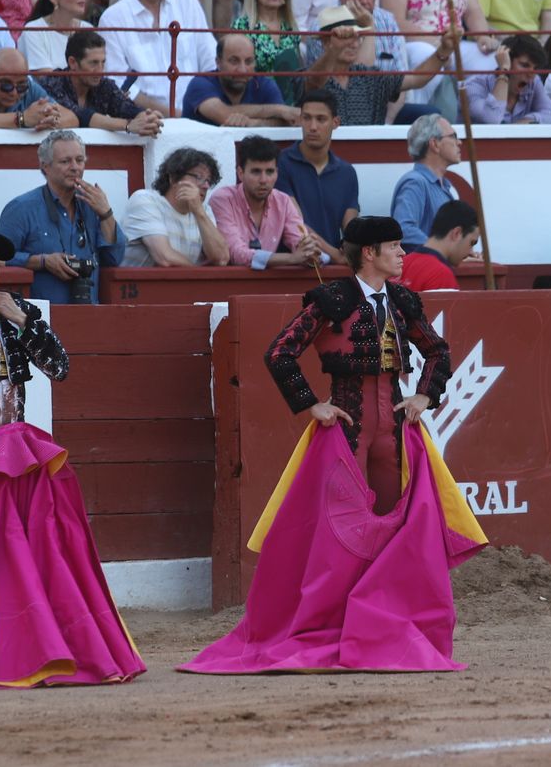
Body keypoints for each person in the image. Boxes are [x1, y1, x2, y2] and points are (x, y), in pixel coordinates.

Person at [182, 215, 481, 678]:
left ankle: (381, 623)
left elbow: (437, 350)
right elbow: (279, 352)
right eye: (395, 247)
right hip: (347, 429)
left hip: (395, 428)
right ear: (369, 253)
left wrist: (426, 394)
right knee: (337, 534)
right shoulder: (332, 299)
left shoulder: (402, 300)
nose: (404, 255)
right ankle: (333, 624)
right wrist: (310, 406)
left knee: (392, 527)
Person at [0, 227, 142, 692]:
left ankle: (29, 642)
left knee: (29, 542)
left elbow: (60, 368)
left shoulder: (16, 310)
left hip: (17, 444)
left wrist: (22, 321)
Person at [0, 129, 124, 305]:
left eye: (80, 160)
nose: (75, 167)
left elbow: (114, 260)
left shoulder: (94, 207)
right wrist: (42, 262)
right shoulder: (21, 208)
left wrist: (106, 213)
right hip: (40, 322)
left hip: (89, 316)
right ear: (45, 166)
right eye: (65, 161)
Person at [101, 0, 216, 115]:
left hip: (198, 114)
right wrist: (174, 114)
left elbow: (209, 58)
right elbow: (118, 84)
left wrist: (205, 108)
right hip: (144, 121)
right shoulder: (113, 18)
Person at [306, 2, 455, 124]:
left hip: (369, 155)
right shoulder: (307, 75)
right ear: (325, 43)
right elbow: (314, 83)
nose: (353, 43)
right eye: (345, 38)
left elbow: (417, 79)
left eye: (357, 37)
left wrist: (444, 50)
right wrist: (334, 49)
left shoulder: (371, 76)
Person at [207, 134, 321, 269]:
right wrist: (291, 258)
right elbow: (235, 254)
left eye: (269, 172)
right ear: (240, 173)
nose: (263, 180)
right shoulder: (222, 199)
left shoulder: (283, 201)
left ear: (277, 173)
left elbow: (300, 243)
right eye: (256, 172)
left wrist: (310, 251)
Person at [274, 91, 357, 258]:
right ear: (300, 120)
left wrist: (351, 251)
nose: (312, 126)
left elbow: (351, 229)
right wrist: (336, 255)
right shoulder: (281, 163)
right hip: (291, 266)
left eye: (321, 119)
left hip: (334, 270)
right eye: (307, 118)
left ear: (335, 122)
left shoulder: (347, 172)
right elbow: (297, 224)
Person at [38, 30, 162, 136]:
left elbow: (125, 106)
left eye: (103, 62)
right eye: (93, 63)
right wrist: (128, 125)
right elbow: (81, 116)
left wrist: (146, 118)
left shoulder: (103, 85)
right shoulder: (53, 83)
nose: (100, 71)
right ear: (73, 63)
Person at [123, 146, 230, 267]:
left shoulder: (203, 211)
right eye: (198, 177)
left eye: (208, 180)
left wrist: (199, 212)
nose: (205, 186)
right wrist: (199, 277)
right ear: (173, 178)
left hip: (182, 284)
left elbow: (221, 258)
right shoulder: (145, 200)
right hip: (140, 284)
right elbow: (165, 257)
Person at [182, 33, 298, 126]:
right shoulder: (200, 84)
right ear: (218, 62)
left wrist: (253, 123)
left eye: (248, 61)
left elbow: (286, 122)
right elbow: (224, 115)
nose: (243, 70)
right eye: (234, 61)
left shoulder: (265, 84)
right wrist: (277, 110)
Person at [390, 112, 460, 248]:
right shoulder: (415, 182)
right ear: (434, 144)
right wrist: (443, 250)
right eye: (453, 137)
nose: (459, 142)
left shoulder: (441, 186)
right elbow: (403, 229)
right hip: (424, 267)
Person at [463, 33, 551, 124]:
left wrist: (525, 121)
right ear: (506, 60)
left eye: (536, 68)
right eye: (525, 65)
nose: (531, 74)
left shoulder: (534, 82)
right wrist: (504, 72)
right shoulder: (473, 85)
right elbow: (492, 118)